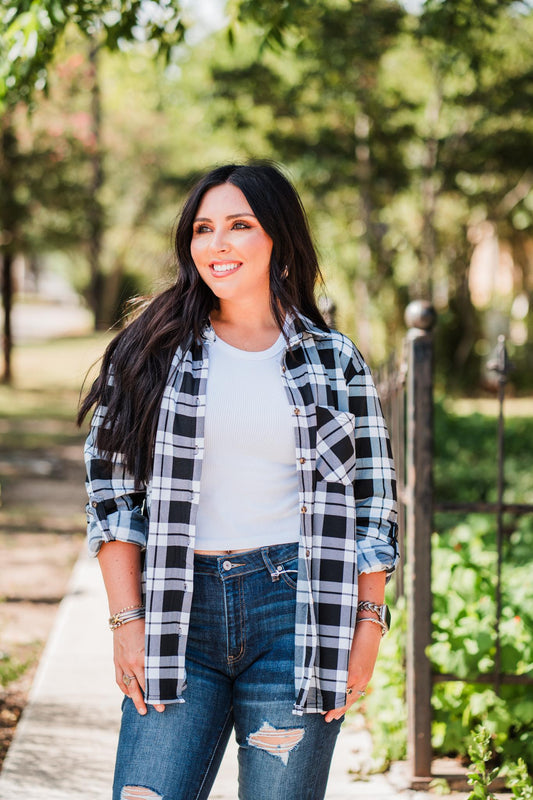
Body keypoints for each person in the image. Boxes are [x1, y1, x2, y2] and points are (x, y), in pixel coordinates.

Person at [79, 162, 398, 800]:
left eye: (239, 225)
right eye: (203, 228)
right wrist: (126, 620)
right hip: (178, 608)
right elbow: (112, 493)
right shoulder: (152, 350)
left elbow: (374, 505)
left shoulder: (333, 360)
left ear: (278, 239)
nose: (216, 244)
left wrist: (367, 627)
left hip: (298, 611)